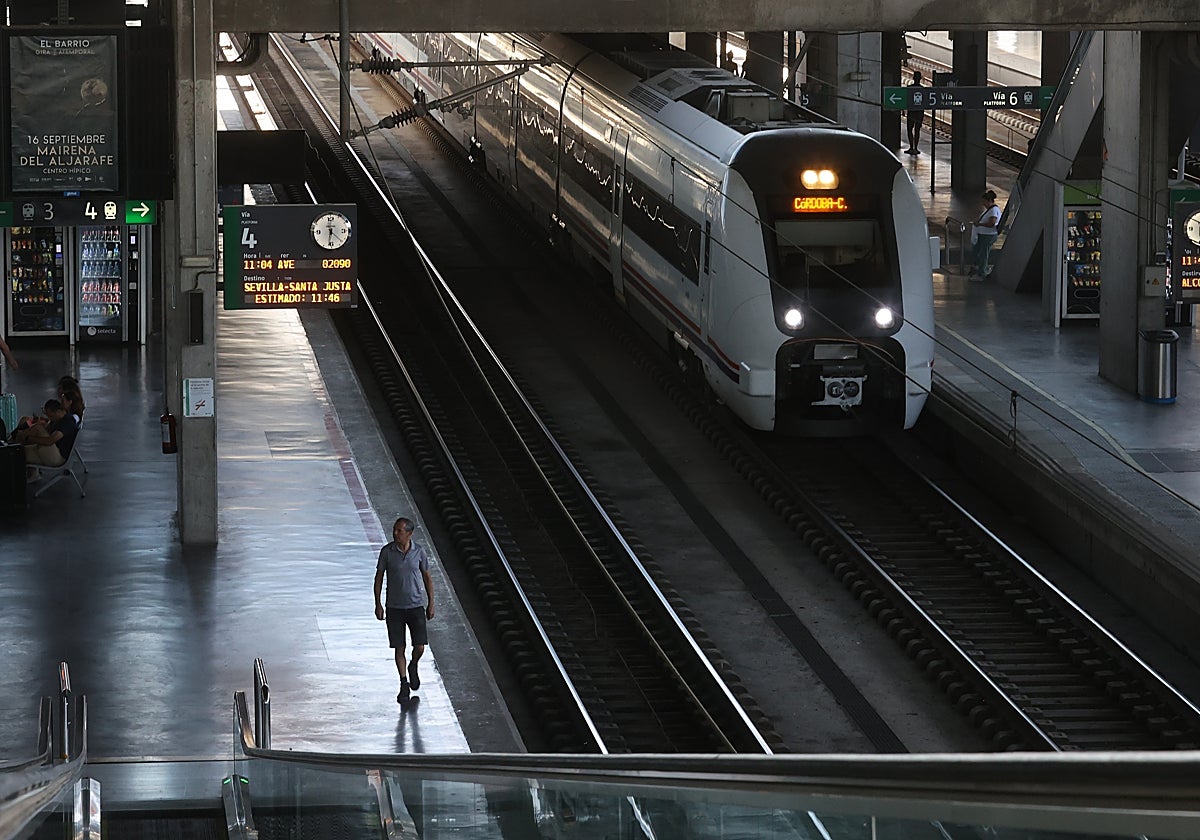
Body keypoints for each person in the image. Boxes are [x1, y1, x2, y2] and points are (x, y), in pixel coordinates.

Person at [374, 516, 435, 704]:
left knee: (419, 646)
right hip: (394, 608)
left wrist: (431, 602)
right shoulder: (387, 552)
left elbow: (427, 577)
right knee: (399, 647)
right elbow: (378, 578)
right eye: (395, 530)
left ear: (409, 533)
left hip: (415, 605)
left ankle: (413, 664)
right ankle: (403, 683)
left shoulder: (419, 552)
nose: (395, 533)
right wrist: (378, 603)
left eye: (400, 531)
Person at [21, 399, 78, 469]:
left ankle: (16, 440)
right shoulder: (58, 419)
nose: (50, 418)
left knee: (38, 429)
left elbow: (50, 441)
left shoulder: (68, 422)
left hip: (58, 458)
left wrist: (29, 438)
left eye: (51, 416)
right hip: (52, 451)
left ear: (58, 412)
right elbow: (48, 430)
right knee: (20, 452)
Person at [970, 189, 1002, 280]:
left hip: (988, 235)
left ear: (989, 201)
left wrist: (979, 224)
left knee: (984, 254)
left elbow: (991, 223)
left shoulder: (993, 211)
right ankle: (981, 268)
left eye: (984, 201)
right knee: (980, 252)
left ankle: (981, 273)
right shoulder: (989, 210)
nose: (983, 203)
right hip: (984, 235)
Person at [905, 71, 924, 154]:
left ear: (913, 78)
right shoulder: (922, 89)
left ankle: (911, 147)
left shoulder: (909, 88)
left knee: (909, 129)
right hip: (919, 112)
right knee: (917, 130)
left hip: (911, 111)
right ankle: (915, 148)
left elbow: (906, 100)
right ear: (920, 79)